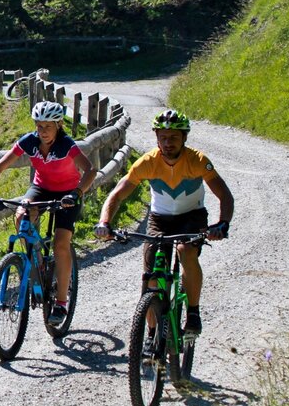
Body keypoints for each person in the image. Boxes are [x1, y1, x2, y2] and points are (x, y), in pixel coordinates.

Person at [94, 109, 233, 337]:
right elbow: (117, 194)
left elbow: (225, 195)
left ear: (184, 138)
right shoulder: (147, 163)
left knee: (185, 250)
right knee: (152, 277)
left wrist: (222, 223)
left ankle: (194, 313)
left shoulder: (197, 161)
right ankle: (149, 336)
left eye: (174, 138)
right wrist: (104, 221)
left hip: (192, 217)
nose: (168, 143)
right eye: (163, 137)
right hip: (160, 220)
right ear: (157, 138)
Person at [0, 100, 95, 327]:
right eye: (39, 126)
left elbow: (90, 169)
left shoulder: (67, 145)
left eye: (47, 127)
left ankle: (61, 302)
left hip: (67, 195)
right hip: (41, 188)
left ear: (58, 125)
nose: (42, 132)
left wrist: (77, 192)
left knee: (61, 244)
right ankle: (38, 263)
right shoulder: (29, 142)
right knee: (21, 215)